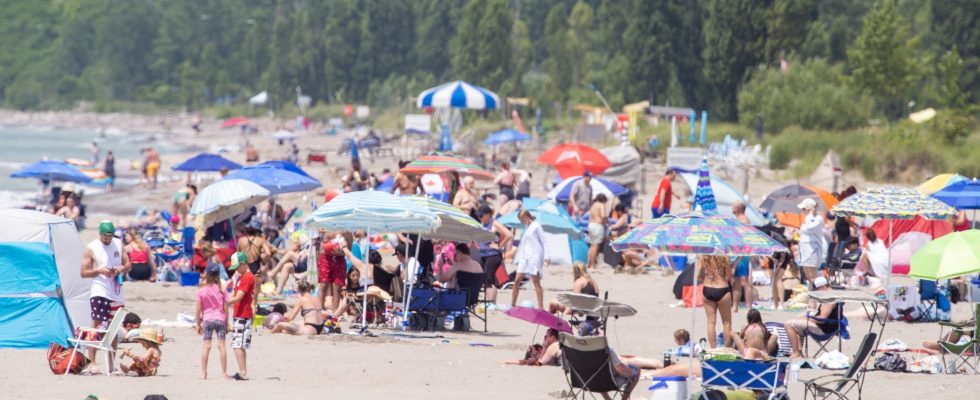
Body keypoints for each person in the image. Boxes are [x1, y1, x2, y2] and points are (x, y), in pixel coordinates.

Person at [80, 221, 131, 373]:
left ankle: (111, 363)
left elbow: (128, 263)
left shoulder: (118, 243)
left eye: (110, 236)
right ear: (100, 234)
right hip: (99, 290)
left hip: (116, 291)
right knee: (96, 327)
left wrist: (120, 268)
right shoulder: (91, 247)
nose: (108, 239)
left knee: (113, 328)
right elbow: (83, 272)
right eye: (105, 236)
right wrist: (100, 271)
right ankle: (93, 363)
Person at [784, 277, 841, 358]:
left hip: (824, 330)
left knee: (788, 324)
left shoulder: (829, 298)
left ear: (822, 287)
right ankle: (799, 353)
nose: (817, 293)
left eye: (817, 290)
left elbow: (822, 319)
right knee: (796, 322)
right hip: (828, 327)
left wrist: (807, 318)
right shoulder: (832, 294)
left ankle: (796, 352)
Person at [195, 264, 229, 380]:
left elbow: (199, 308)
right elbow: (226, 308)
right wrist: (227, 323)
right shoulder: (222, 289)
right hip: (220, 319)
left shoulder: (202, 290)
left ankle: (203, 374)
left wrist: (198, 323)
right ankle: (224, 374)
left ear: (207, 274)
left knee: (206, 347)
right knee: (222, 347)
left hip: (208, 320)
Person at [226, 252, 256, 380]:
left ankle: (243, 372)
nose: (236, 270)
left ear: (243, 264)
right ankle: (243, 371)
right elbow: (234, 294)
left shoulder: (247, 277)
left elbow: (238, 297)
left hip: (243, 315)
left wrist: (223, 301)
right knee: (239, 344)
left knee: (237, 345)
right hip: (239, 314)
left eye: (238, 267)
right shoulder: (241, 277)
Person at [475, 205, 513, 304]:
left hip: (493, 255)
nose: (480, 218)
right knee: (485, 279)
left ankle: (490, 302)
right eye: (478, 216)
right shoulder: (482, 223)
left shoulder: (494, 223)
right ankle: (491, 302)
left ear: (488, 214)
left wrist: (500, 245)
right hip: (484, 255)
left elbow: (509, 235)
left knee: (488, 279)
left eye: (481, 216)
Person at [512, 210, 549, 309]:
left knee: (536, 282)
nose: (522, 221)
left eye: (523, 219)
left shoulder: (536, 226)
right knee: (517, 280)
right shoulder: (526, 227)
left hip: (535, 256)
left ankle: (541, 307)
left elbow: (544, 241)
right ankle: (512, 305)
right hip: (525, 257)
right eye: (520, 220)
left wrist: (546, 256)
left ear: (527, 217)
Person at [699, 255, 733, 348]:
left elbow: (698, 275)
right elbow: (729, 276)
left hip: (707, 289)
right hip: (722, 289)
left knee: (711, 322)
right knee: (727, 323)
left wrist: (707, 277)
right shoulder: (724, 257)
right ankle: (727, 349)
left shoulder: (703, 257)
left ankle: (713, 349)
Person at [796, 198, 825, 287]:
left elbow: (810, 228)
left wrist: (811, 215)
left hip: (812, 250)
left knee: (813, 277)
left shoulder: (817, 219)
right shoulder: (808, 219)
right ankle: (811, 298)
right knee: (808, 277)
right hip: (805, 251)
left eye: (804, 209)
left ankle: (815, 298)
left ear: (809, 209)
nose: (802, 211)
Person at [731, 202, 753, 311]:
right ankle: (735, 306)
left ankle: (749, 307)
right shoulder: (737, 220)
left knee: (744, 281)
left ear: (738, 209)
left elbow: (747, 237)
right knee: (736, 281)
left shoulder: (744, 220)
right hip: (736, 251)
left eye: (733, 206)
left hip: (743, 252)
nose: (731, 207)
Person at [318, 232, 348, 313]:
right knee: (323, 284)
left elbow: (348, 250)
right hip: (325, 258)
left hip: (339, 259)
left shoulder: (347, 232)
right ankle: (320, 310)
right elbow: (321, 246)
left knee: (337, 287)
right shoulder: (328, 227)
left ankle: (335, 312)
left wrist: (340, 251)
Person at [586, 194, 608, 270]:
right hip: (597, 226)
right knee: (596, 246)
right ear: (603, 200)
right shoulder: (601, 205)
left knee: (592, 246)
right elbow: (603, 215)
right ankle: (592, 265)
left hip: (590, 225)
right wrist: (607, 222)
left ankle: (589, 264)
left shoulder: (593, 205)